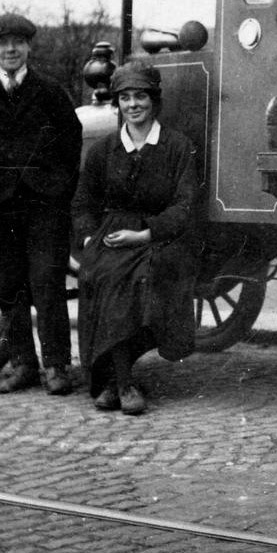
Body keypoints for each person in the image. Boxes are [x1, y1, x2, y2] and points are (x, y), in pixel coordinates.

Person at [0, 13, 82, 395]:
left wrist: (59, 189)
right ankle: (22, 363)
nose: (10, 50)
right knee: (9, 284)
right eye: (2, 43)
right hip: (3, 205)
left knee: (47, 282)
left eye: (17, 43)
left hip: (45, 205)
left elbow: (71, 141)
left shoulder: (50, 92)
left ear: (28, 47)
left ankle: (57, 366)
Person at [73, 60, 199, 415]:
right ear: (118, 104)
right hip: (112, 235)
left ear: (154, 100)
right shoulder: (103, 151)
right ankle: (123, 381)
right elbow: (83, 203)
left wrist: (144, 234)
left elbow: (184, 206)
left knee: (143, 277)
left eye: (140, 96)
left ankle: (117, 383)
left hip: (162, 237)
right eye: (125, 98)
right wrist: (87, 239)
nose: (133, 105)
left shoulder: (177, 147)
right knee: (105, 273)